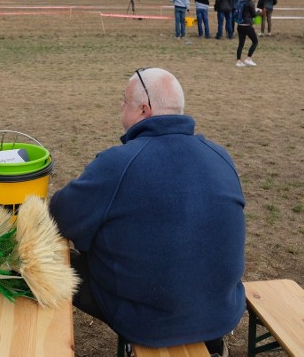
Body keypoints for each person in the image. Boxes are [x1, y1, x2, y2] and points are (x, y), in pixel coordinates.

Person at [48, 68, 245, 356]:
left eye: (124, 102)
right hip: (222, 310)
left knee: (54, 262)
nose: (120, 109)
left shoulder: (119, 163)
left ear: (144, 109)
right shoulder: (220, 155)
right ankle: (212, 344)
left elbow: (60, 216)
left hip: (149, 323)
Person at [236, 0, 261, 67]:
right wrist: (259, 12)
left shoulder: (240, 0)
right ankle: (248, 58)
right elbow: (254, 15)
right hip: (247, 25)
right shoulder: (250, 2)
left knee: (241, 44)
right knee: (255, 41)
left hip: (240, 25)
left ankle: (238, 61)